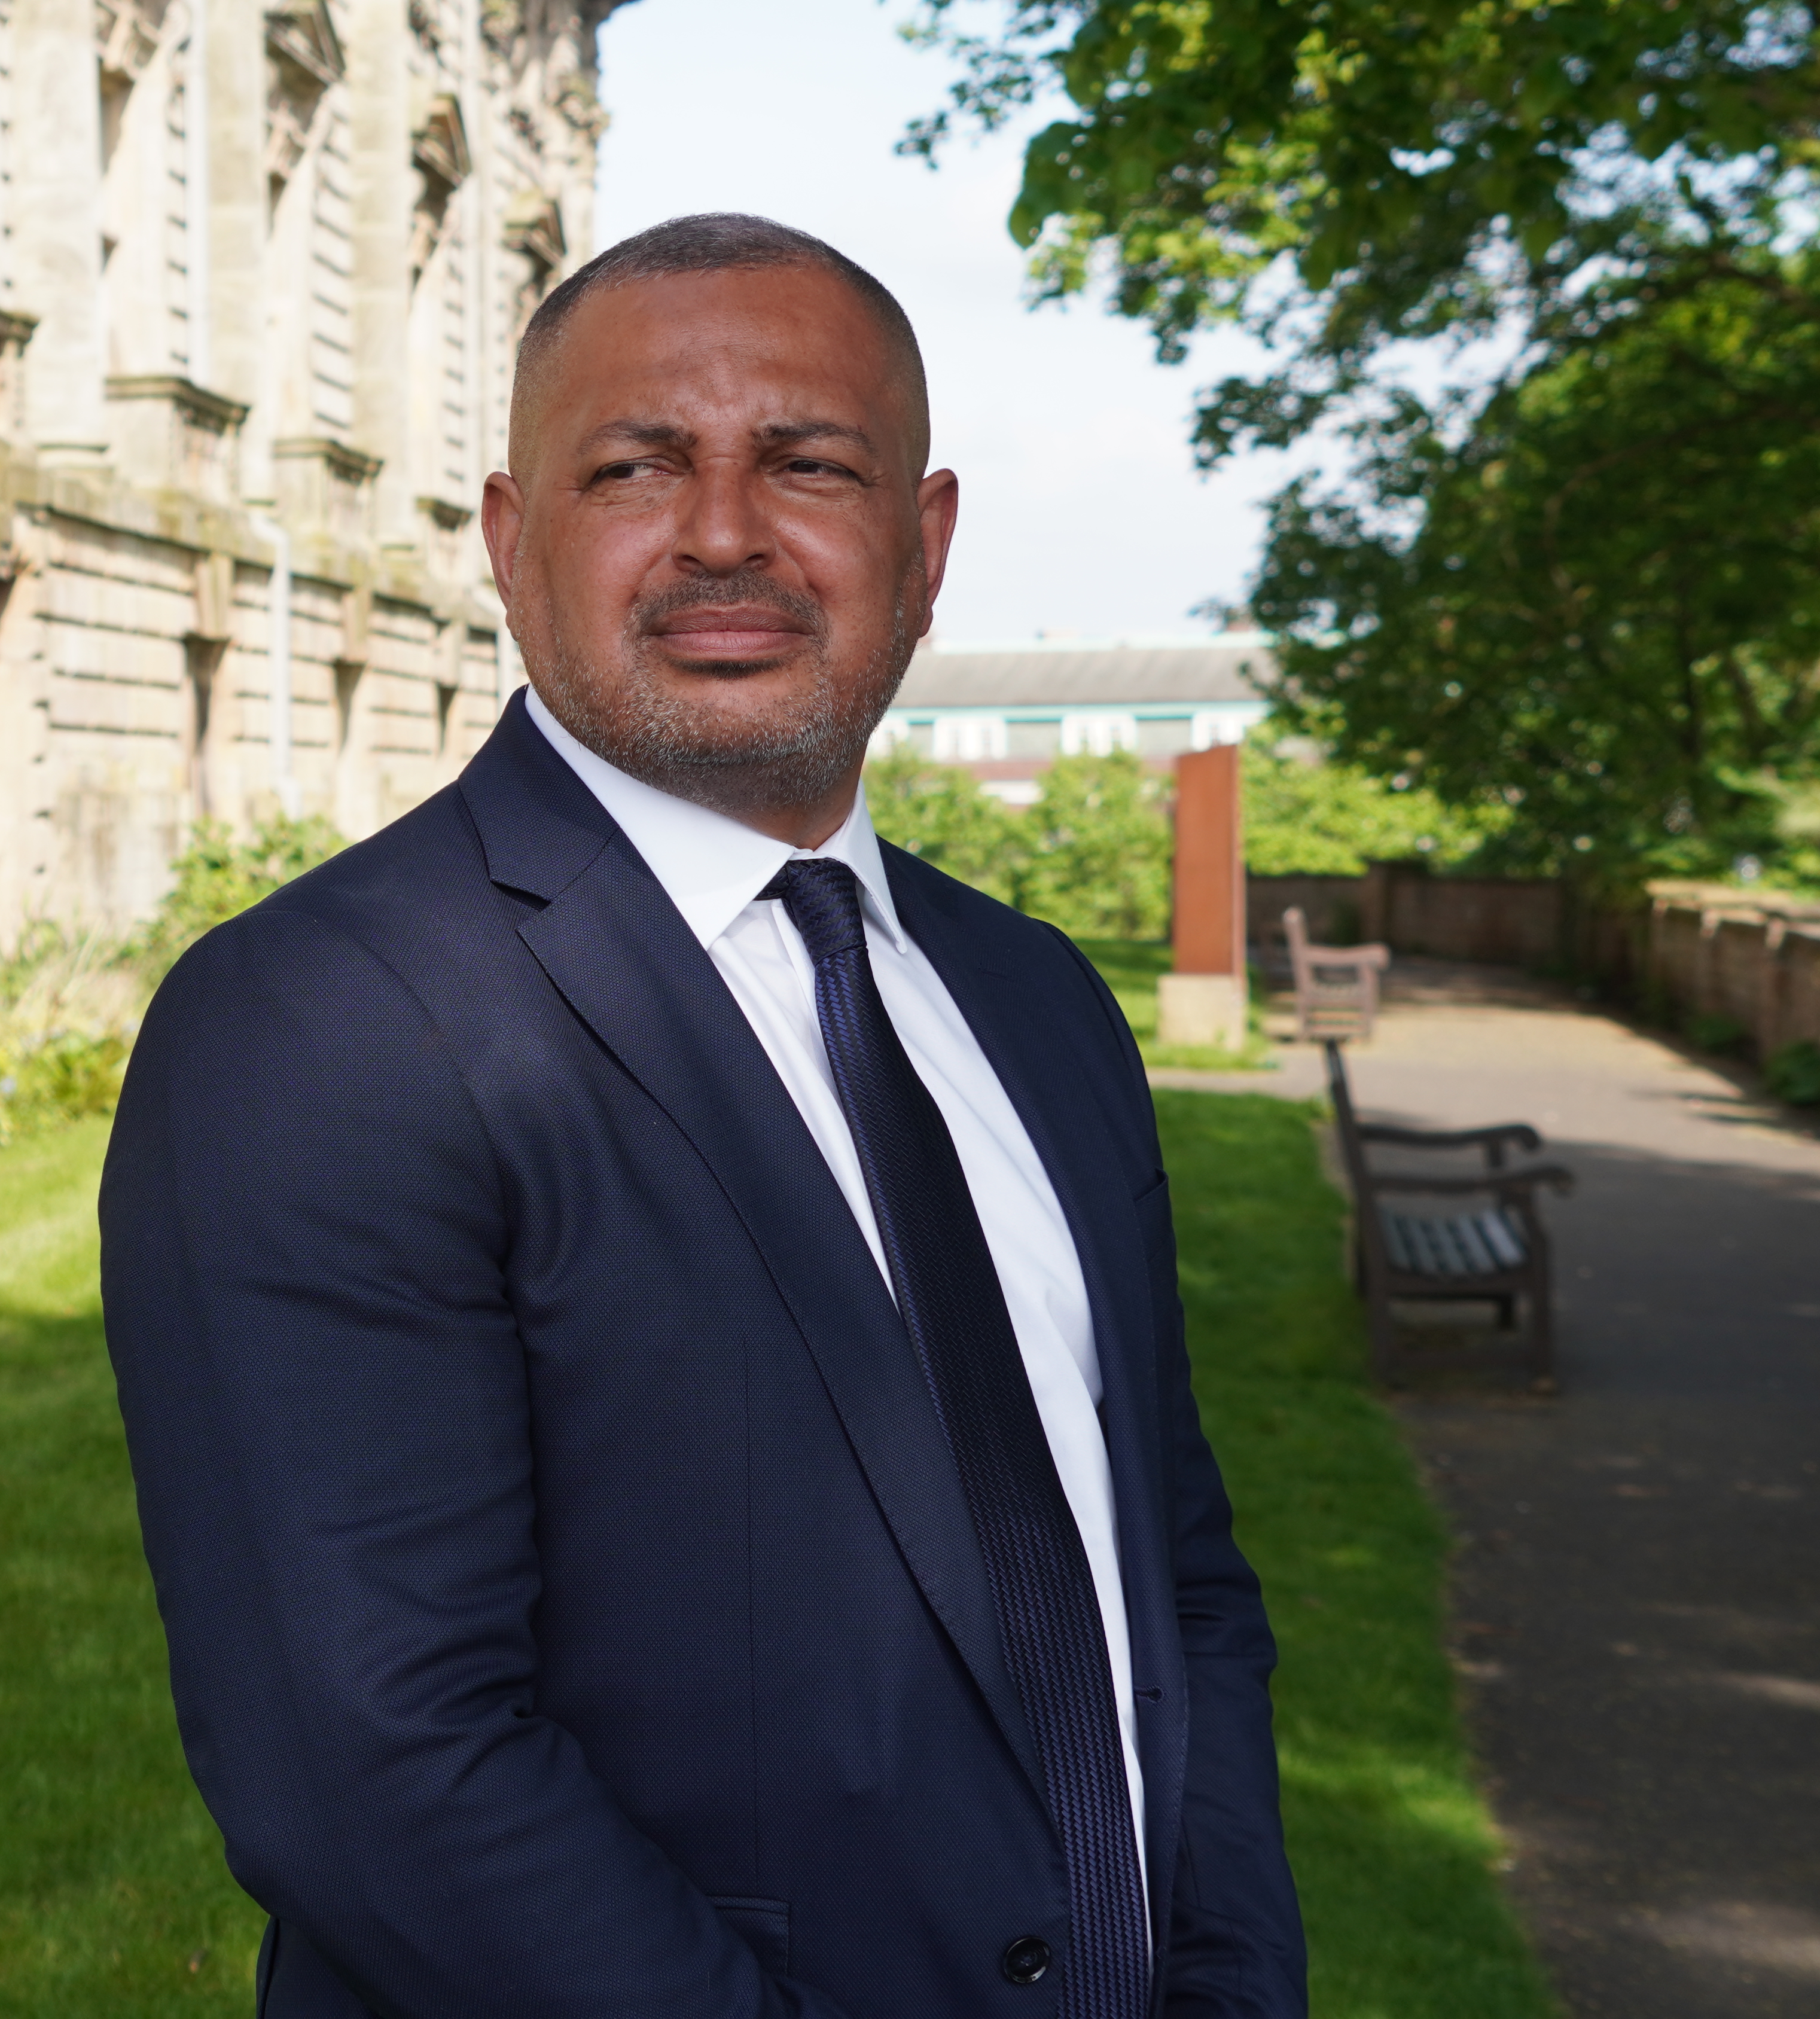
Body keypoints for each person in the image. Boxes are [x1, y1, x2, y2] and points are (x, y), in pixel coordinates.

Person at [100, 212, 1306, 2018]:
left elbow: (1172, 1581)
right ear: (515, 544)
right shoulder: (328, 1024)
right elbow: (380, 1775)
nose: (724, 532)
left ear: (926, 542)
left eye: (807, 464)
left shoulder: (1038, 1004)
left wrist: (1227, 1984)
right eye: (634, 467)